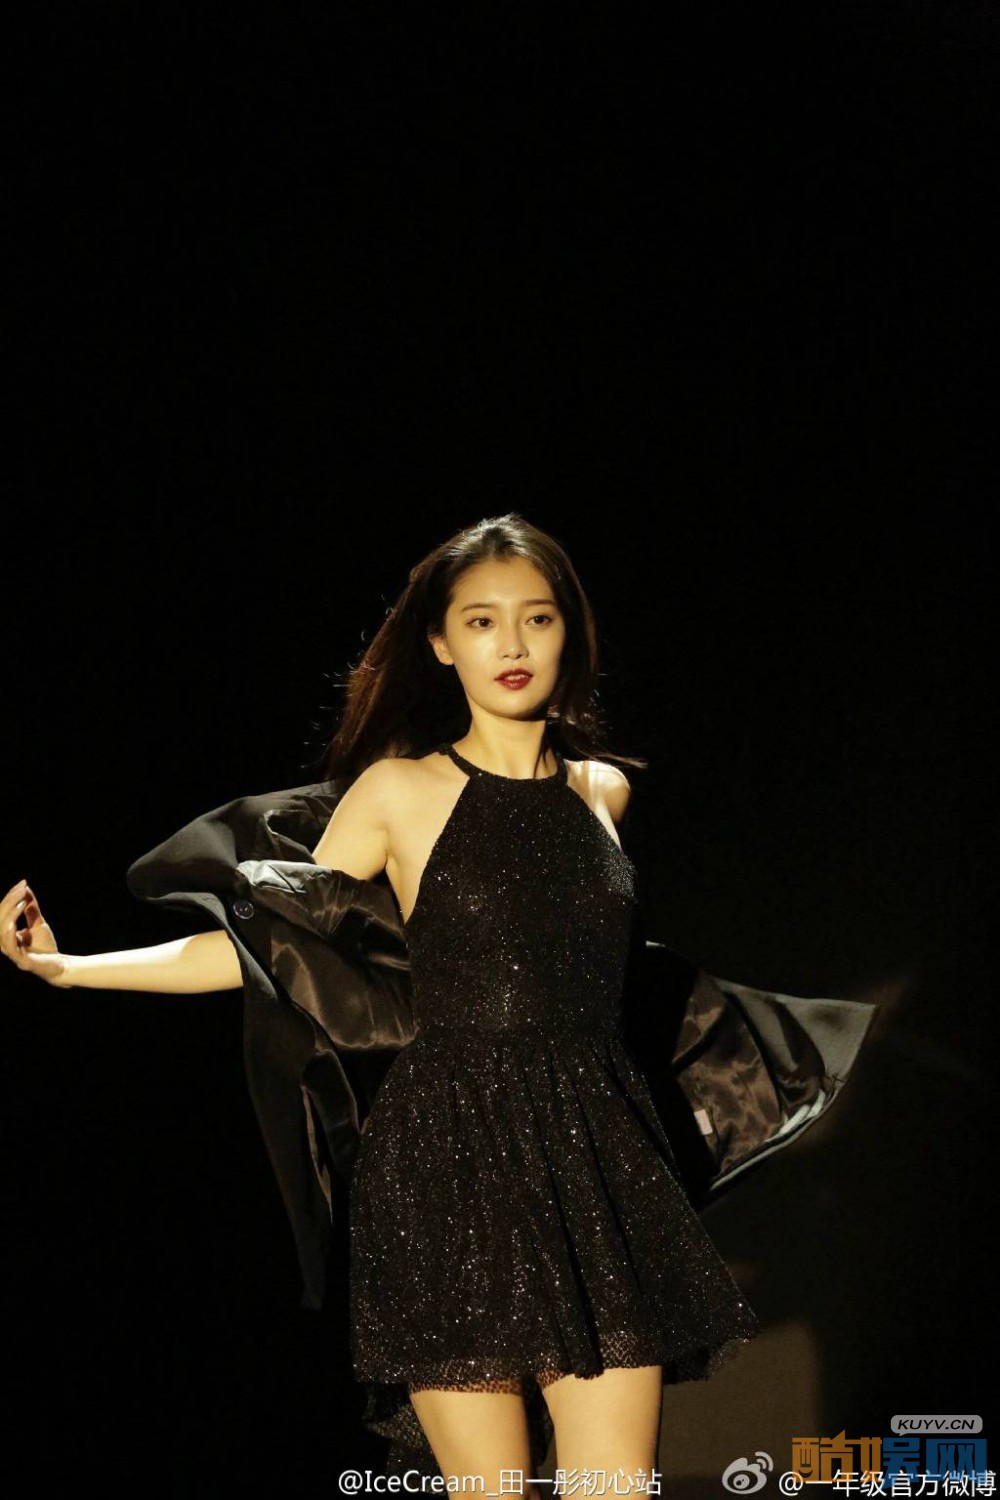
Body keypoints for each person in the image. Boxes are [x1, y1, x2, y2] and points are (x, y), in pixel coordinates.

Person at [1, 514, 874, 1494]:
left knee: (614, 1488)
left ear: (569, 634)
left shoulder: (602, 795)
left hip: (597, 1158)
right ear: (441, 643)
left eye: (536, 618)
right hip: (445, 1162)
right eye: (481, 621)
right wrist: (70, 968)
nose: (511, 643)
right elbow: (270, 952)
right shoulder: (396, 793)